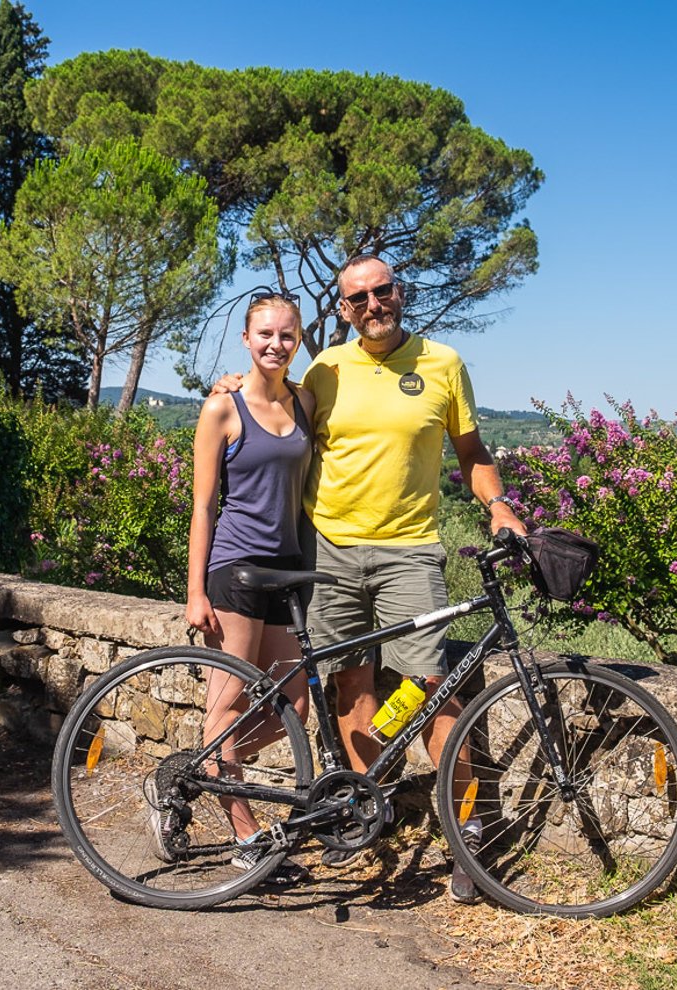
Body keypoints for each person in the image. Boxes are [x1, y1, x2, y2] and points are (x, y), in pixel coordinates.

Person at [218, 255, 525, 903]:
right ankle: (366, 811)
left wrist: (498, 504)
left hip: (411, 552)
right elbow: (272, 408)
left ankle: (466, 830)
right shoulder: (325, 368)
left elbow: (471, 454)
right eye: (356, 298)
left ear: (398, 292)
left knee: (434, 690)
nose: (372, 305)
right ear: (344, 310)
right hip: (330, 551)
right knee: (349, 683)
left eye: (381, 291)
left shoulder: (442, 363)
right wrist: (231, 386)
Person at [155, 288, 314, 885]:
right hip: (235, 570)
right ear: (247, 340)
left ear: (299, 341)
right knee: (228, 704)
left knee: (294, 707)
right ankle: (247, 836)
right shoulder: (223, 409)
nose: (276, 344)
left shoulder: (304, 402)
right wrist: (194, 591)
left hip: (289, 570)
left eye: (287, 335)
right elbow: (202, 506)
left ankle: (197, 771)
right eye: (265, 334)